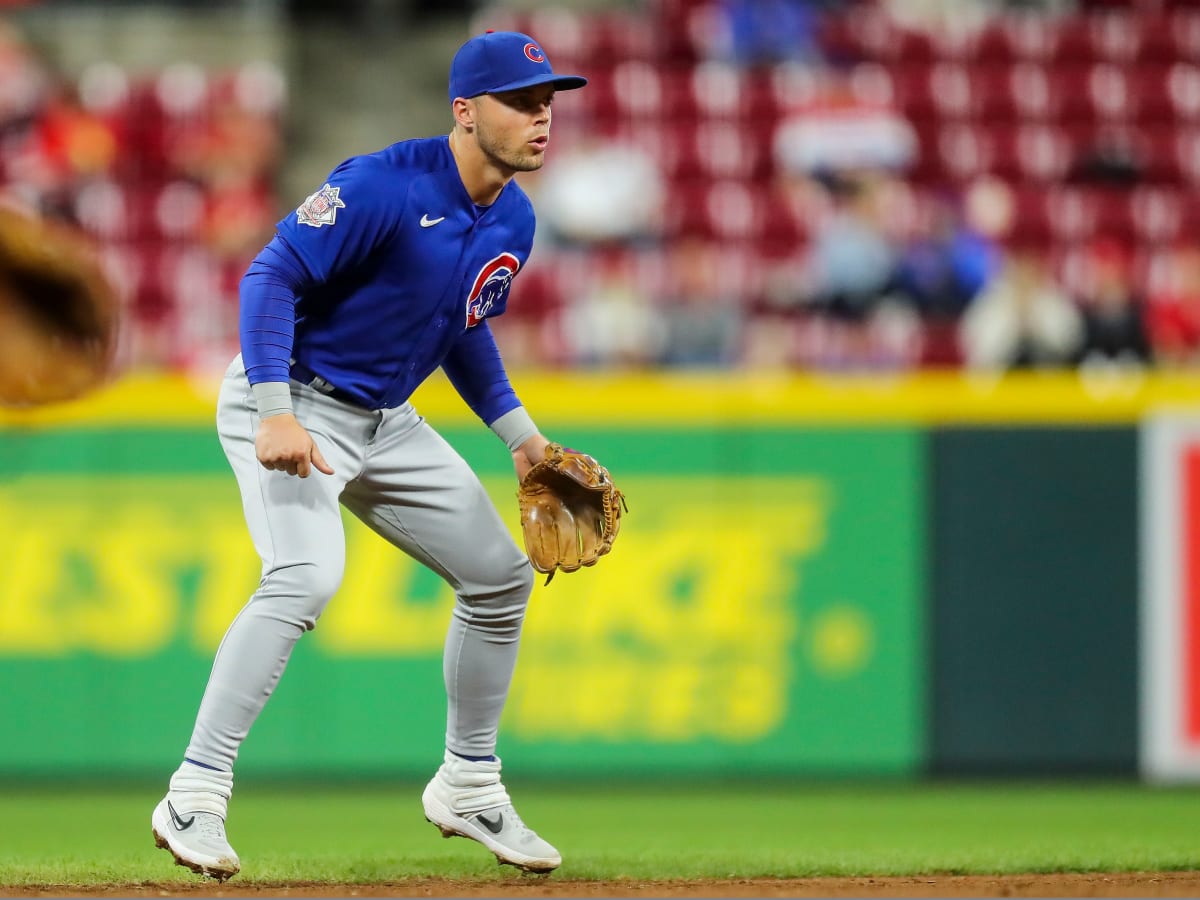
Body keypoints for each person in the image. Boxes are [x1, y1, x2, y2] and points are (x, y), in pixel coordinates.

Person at [150, 30, 587, 881]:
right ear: (465, 111)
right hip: (289, 397)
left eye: (546, 103)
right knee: (305, 577)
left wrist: (523, 440)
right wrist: (274, 412)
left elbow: (461, 326)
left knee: (499, 577)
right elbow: (270, 277)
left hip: (385, 420)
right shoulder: (384, 185)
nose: (540, 118)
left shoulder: (515, 218)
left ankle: (469, 783)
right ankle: (194, 791)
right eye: (519, 102)